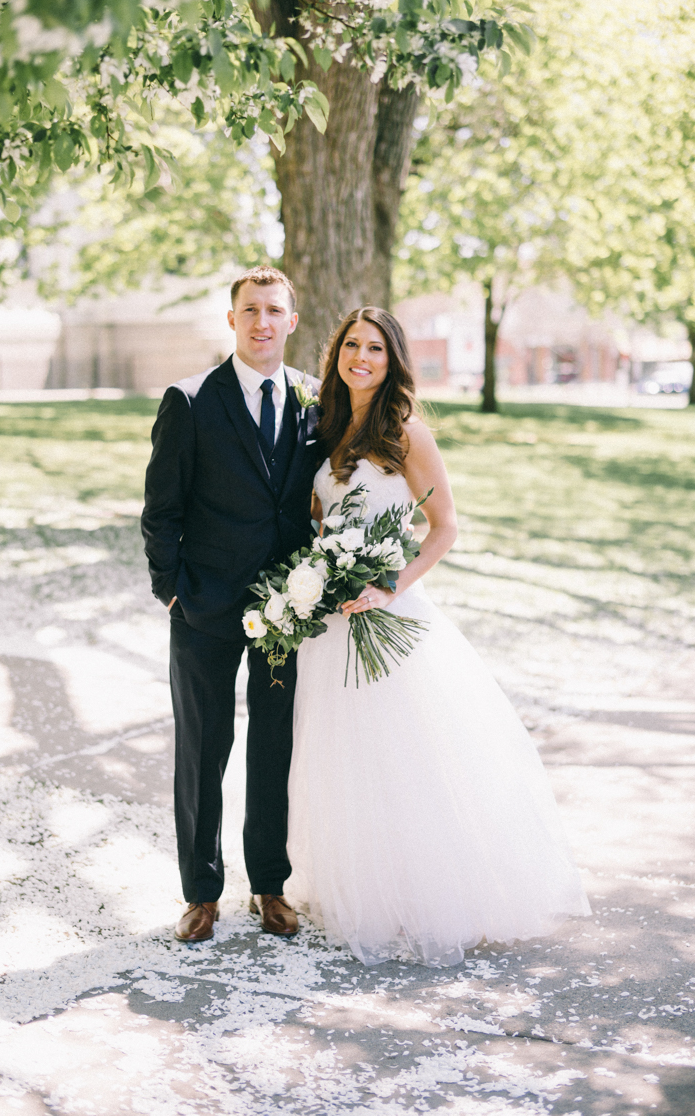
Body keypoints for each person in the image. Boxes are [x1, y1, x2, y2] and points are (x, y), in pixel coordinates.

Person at [286, 306, 591, 966]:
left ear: (393, 362)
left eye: (374, 348)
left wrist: (387, 583)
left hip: (390, 617)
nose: (360, 357)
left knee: (405, 760)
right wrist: (318, 575)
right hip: (333, 625)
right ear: (336, 354)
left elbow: (445, 526)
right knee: (345, 763)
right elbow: (317, 521)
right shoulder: (325, 429)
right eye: (351, 345)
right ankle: (364, 888)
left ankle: (429, 895)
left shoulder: (407, 434)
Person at [141, 266, 319, 943]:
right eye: (250, 310)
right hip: (204, 610)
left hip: (286, 610)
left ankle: (269, 886)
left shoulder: (312, 401)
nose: (262, 322)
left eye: (275, 310)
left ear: (291, 321)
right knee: (203, 750)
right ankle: (201, 893)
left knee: (274, 749)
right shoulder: (189, 401)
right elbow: (161, 510)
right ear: (232, 319)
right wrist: (174, 591)